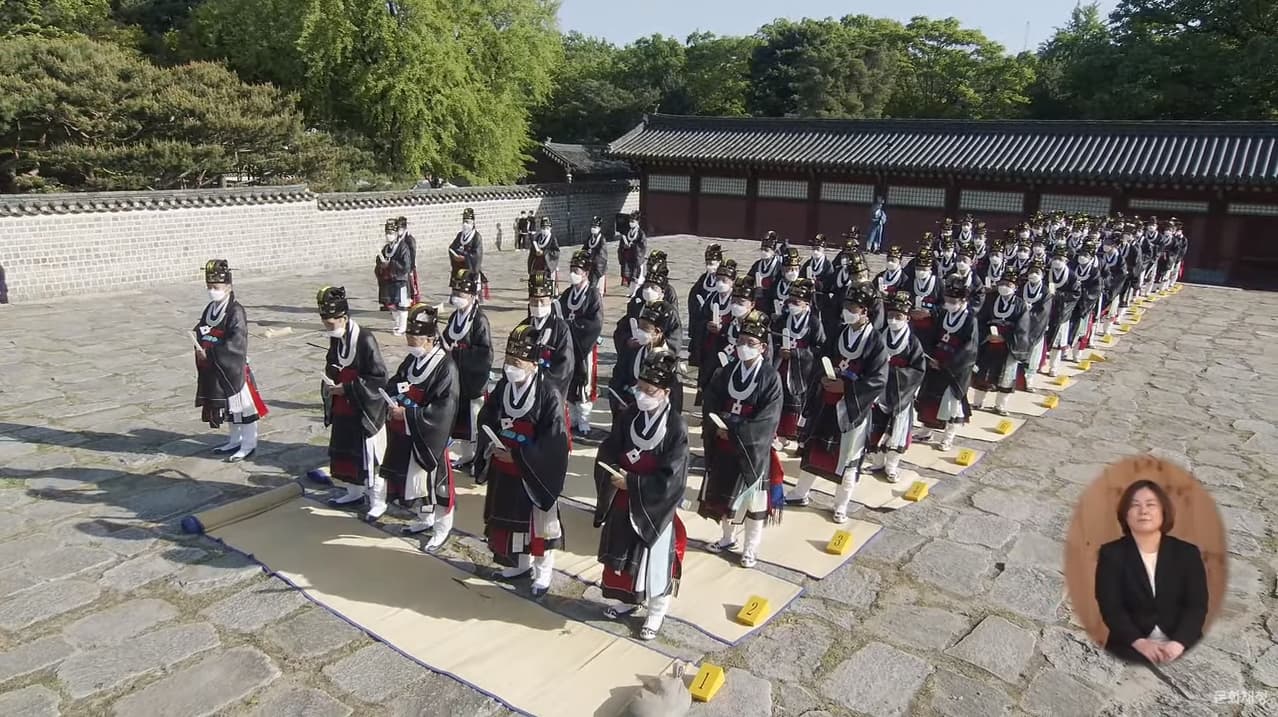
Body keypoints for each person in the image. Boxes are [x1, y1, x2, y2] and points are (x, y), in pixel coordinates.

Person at [594, 351, 689, 641]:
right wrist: (611, 471)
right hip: (623, 495)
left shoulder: (675, 427)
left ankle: (657, 609)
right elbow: (611, 446)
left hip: (652, 504)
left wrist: (633, 483)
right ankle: (626, 598)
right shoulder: (629, 416)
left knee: (654, 558)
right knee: (623, 552)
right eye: (640, 389)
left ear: (665, 392)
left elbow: (673, 477)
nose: (642, 395)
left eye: (649, 391)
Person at [474, 325, 570, 598]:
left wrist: (518, 454)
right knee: (510, 521)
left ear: (533, 363)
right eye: (508, 362)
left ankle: (543, 573)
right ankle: (520, 563)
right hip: (504, 469)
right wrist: (492, 441)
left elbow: (554, 442)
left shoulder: (548, 394)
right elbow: (487, 417)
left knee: (537, 525)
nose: (510, 368)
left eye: (516, 363)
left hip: (532, 472)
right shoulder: (504, 387)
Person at [788, 284, 888, 521]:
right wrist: (823, 376)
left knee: (848, 457)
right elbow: (822, 355)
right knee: (815, 445)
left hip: (853, 407)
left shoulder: (876, 342)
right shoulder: (839, 332)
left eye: (852, 308)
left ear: (865, 311)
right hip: (827, 401)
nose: (847, 312)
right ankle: (801, 491)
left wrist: (847, 387)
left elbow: (878, 379)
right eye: (846, 307)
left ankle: (841, 504)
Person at [698, 309, 785, 568]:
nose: (744, 347)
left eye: (751, 343)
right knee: (724, 494)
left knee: (752, 501)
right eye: (741, 342)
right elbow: (712, 399)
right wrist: (717, 424)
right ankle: (727, 537)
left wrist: (735, 430)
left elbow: (768, 418)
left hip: (751, 447)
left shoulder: (770, 377)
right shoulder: (726, 372)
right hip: (723, 442)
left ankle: (750, 548)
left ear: (762, 348)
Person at [375, 305, 460, 552]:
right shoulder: (413, 359)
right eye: (409, 338)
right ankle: (425, 519)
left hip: (431, 436)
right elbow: (396, 383)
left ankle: (442, 528)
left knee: (437, 487)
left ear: (431, 339)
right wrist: (393, 402)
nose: (411, 343)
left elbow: (444, 409)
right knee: (419, 487)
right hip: (410, 433)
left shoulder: (446, 367)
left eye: (415, 339)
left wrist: (410, 414)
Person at [1095, 480, 1208, 665]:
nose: (1143, 511)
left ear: (1164, 511)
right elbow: (1111, 607)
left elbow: (1197, 606)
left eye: (1151, 504)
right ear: (1125, 514)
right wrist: (1140, 643)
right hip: (1129, 646)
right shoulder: (1111, 554)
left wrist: (1178, 644)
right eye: (1135, 505)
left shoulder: (1187, 553)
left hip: (1183, 645)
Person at [318, 286, 390, 507]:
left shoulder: (365, 339)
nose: (328, 327)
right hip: (343, 407)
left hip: (363, 407)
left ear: (345, 318)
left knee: (369, 456)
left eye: (332, 323)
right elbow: (333, 362)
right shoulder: (336, 338)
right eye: (325, 323)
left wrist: (348, 388)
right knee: (345, 452)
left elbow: (379, 377)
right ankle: (353, 491)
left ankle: (378, 501)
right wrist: (331, 379)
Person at [194, 259, 268, 463]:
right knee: (229, 407)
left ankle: (249, 443)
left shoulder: (236, 311)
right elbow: (201, 329)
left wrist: (213, 350)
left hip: (233, 365)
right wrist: (201, 346)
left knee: (244, 406)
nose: (212, 291)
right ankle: (234, 440)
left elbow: (237, 341)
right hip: (216, 365)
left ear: (228, 286)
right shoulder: (211, 309)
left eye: (216, 287)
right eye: (209, 287)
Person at [865, 292, 927, 483]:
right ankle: (877, 460)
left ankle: (892, 465)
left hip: (901, 392)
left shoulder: (913, 342)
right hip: (880, 390)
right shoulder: (879, 337)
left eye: (898, 317)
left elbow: (918, 369)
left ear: (907, 318)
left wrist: (895, 373)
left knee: (897, 430)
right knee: (876, 426)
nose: (893, 320)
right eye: (891, 316)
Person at [915, 277, 978, 451]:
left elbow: (969, 349)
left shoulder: (970, 320)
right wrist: (930, 357)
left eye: (953, 301)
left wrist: (947, 364)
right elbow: (932, 335)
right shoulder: (943, 313)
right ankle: (926, 430)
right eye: (947, 300)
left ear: (963, 300)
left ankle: (948, 437)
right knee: (929, 397)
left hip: (955, 368)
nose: (948, 303)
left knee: (951, 404)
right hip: (935, 360)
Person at [443, 269, 494, 472]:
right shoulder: (455, 317)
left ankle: (477, 459)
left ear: (472, 296)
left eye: (461, 294)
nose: (457, 298)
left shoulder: (479, 320)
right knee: (461, 421)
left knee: (475, 421)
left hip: (473, 379)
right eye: (455, 294)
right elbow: (447, 338)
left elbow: (485, 353)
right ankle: (466, 456)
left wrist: (458, 354)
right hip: (458, 377)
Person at [607, 300, 682, 427]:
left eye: (645, 329)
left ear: (658, 332)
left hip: (654, 414)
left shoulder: (669, 362)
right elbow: (617, 377)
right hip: (627, 409)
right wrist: (619, 400)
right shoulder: (633, 350)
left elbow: (674, 401)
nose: (640, 332)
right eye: (639, 328)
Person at [772, 278, 825, 451]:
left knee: (798, 401)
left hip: (803, 369)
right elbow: (773, 339)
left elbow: (819, 348)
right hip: (782, 365)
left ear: (806, 304)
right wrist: (780, 351)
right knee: (780, 397)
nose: (792, 306)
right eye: (790, 302)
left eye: (797, 303)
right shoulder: (783, 320)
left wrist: (796, 354)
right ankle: (780, 434)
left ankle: (797, 434)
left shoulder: (814, 323)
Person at [971, 269, 1031, 415]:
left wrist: (1006, 338)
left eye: (1008, 284)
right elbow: (980, 320)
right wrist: (986, 336)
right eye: (1002, 283)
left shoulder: (1020, 305)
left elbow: (1022, 328)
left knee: (1007, 376)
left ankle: (1000, 405)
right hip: (989, 342)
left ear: (1015, 287)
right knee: (983, 372)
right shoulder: (990, 300)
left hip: (1008, 344)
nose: (1004, 286)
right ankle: (978, 402)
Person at [559, 250, 605, 440]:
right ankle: (574, 418)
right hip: (568, 345)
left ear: (586, 272)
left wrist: (573, 326)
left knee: (584, 382)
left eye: (577, 270)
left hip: (585, 346)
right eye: (572, 269)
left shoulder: (593, 294)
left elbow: (596, 322)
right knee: (569, 379)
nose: (573, 273)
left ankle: (584, 419)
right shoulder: (568, 293)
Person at [695, 274, 755, 405]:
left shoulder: (756, 328)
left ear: (752, 304)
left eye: (741, 303)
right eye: (733, 301)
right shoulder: (730, 324)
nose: (735, 306)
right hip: (723, 363)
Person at [1043, 246, 1081, 377]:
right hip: (1046, 309)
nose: (1057, 261)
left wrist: (1059, 295)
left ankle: (1053, 367)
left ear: (1065, 261)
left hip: (1061, 311)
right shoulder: (1046, 272)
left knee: (1057, 342)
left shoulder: (1071, 276)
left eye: (1060, 259)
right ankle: (1039, 363)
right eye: (1055, 258)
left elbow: (1076, 294)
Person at [687, 244, 725, 369]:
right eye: (707, 262)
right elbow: (693, 298)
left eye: (713, 262)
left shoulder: (724, 282)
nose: (710, 265)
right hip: (701, 324)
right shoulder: (703, 279)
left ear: (719, 262)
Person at [375, 218, 414, 335]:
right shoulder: (386, 248)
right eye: (387, 233)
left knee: (402, 305)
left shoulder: (403, 247)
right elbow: (378, 262)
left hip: (400, 280)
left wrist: (391, 264)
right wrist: (381, 265)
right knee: (392, 305)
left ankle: (403, 327)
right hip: (389, 280)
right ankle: (397, 324)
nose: (388, 236)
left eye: (391, 233)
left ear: (396, 233)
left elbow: (406, 265)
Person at [1069, 240, 1104, 359]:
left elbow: (1096, 289)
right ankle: (1064, 349)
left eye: (1086, 256)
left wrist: (1083, 294)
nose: (1082, 258)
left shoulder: (1095, 272)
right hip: (1070, 302)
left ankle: (1077, 353)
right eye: (1081, 255)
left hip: (1085, 304)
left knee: (1082, 329)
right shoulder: (1072, 266)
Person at [448, 208, 488, 299]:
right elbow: (452, 247)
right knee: (459, 295)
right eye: (464, 222)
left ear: (473, 223)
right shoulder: (459, 235)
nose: (465, 224)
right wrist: (455, 256)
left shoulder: (476, 237)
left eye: (467, 221)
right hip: (459, 269)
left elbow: (477, 255)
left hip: (471, 269)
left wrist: (465, 257)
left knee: (471, 296)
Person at [764, 247, 803, 317]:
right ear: (782, 269)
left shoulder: (803, 286)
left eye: (796, 269)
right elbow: (769, 301)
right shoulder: (776, 283)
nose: (793, 272)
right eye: (789, 269)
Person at [527, 216, 561, 288]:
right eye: (543, 228)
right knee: (536, 279)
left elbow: (556, 251)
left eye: (547, 228)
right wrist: (535, 252)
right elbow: (533, 249)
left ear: (550, 228)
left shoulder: (552, 238)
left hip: (547, 263)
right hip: (538, 263)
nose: (545, 230)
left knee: (547, 280)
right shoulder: (538, 237)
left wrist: (544, 253)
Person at [800, 234, 835, 299]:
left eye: (818, 248)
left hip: (822, 296)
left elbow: (829, 283)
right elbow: (801, 276)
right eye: (814, 248)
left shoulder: (828, 265)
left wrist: (816, 283)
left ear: (823, 249)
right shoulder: (808, 263)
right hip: (807, 294)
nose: (815, 251)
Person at [618, 211, 647, 289]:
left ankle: (635, 292)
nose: (631, 223)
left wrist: (633, 246)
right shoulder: (627, 232)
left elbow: (642, 246)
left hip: (635, 257)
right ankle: (631, 291)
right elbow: (621, 244)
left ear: (637, 222)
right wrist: (624, 246)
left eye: (633, 221)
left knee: (635, 276)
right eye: (630, 221)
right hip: (628, 256)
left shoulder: (641, 233)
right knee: (628, 275)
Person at [584, 215, 610, 299]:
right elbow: (585, 248)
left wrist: (592, 256)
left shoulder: (602, 239)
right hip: (590, 263)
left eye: (595, 227)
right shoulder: (590, 238)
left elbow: (602, 254)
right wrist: (584, 253)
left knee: (596, 284)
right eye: (592, 226)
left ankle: (597, 295)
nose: (593, 228)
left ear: (599, 228)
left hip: (597, 265)